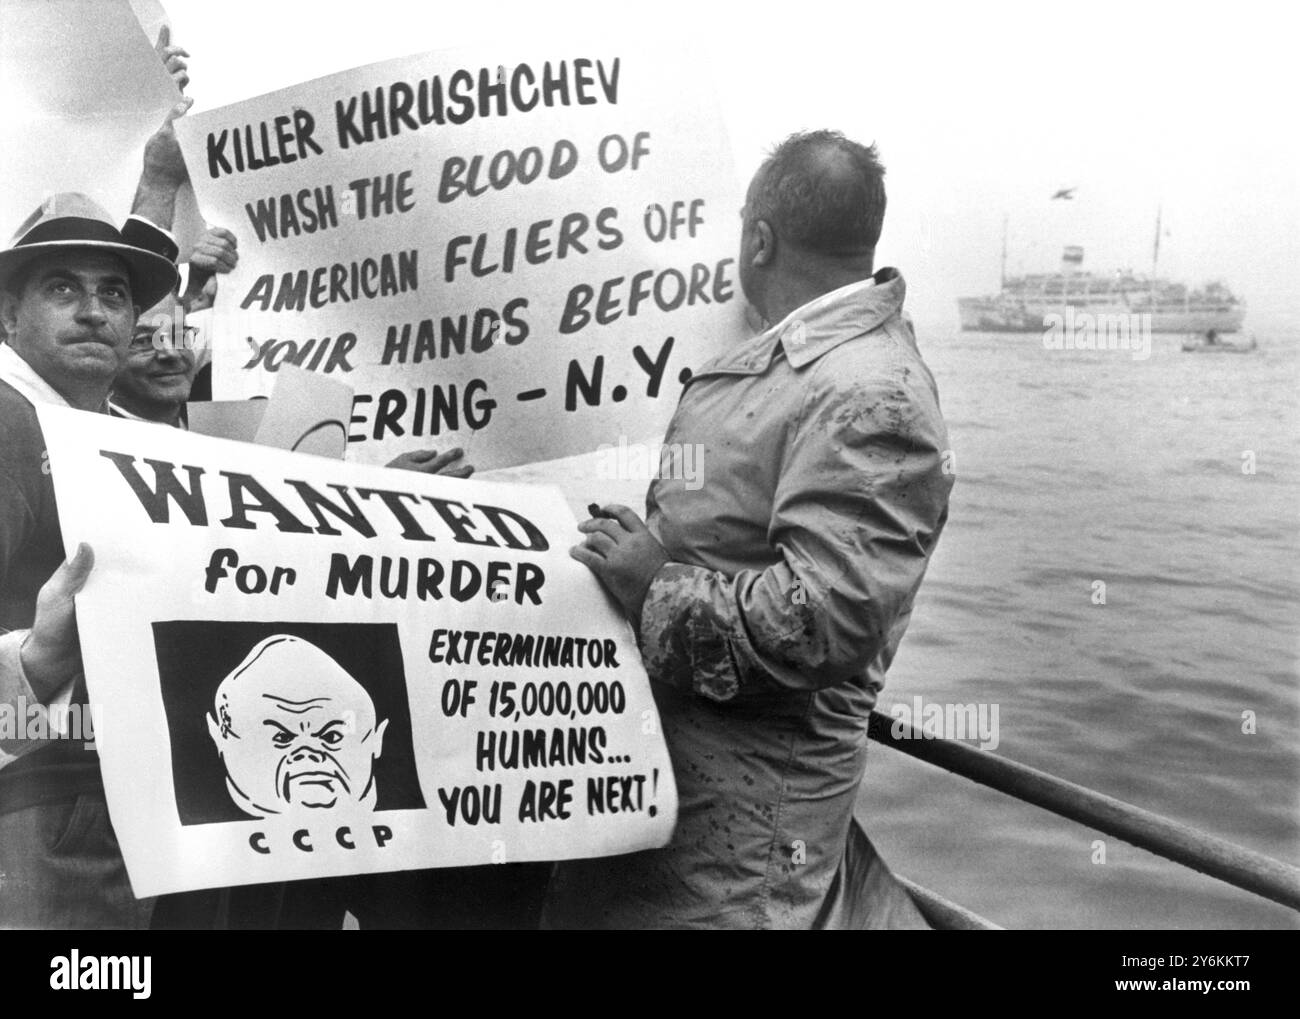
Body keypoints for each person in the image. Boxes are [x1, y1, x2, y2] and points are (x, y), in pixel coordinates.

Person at [547, 130, 954, 928]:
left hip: (746, 833)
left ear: (759, 238)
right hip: (678, 794)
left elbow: (822, 619)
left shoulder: (871, 392)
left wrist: (651, 583)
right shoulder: (802, 357)